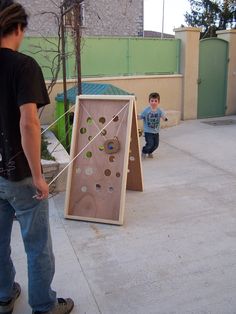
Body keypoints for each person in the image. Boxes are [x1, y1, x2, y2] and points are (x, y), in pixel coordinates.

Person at [0, 1, 74, 313]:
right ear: (18, 28)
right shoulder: (23, 66)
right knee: (37, 244)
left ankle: (4, 295)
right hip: (21, 176)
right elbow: (29, 123)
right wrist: (40, 177)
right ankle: (44, 306)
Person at [138, 92, 168, 159]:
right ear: (149, 101)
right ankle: (144, 151)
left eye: (155, 101)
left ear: (158, 102)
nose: (153, 102)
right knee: (150, 144)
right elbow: (141, 116)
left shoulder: (159, 110)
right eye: (152, 101)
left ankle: (150, 152)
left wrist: (165, 118)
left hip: (156, 131)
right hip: (148, 131)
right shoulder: (146, 110)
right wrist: (136, 117)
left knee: (156, 145)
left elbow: (163, 116)